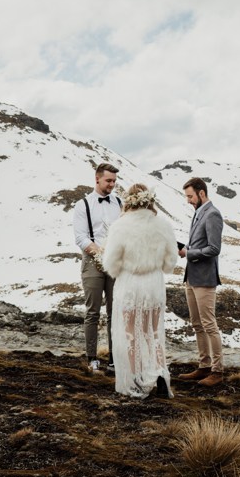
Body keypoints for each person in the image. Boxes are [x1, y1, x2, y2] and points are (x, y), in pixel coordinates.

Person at [98, 183, 178, 399]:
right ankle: (160, 374)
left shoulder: (121, 226)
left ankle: (137, 379)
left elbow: (111, 264)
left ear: (128, 201)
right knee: (153, 332)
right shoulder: (163, 225)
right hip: (154, 283)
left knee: (131, 333)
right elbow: (171, 262)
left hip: (131, 283)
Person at [72, 162, 122, 373]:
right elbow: (81, 238)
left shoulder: (119, 202)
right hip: (92, 262)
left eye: (114, 181)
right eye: (108, 180)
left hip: (115, 264)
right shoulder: (82, 205)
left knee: (115, 312)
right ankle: (92, 357)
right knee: (93, 311)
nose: (112, 184)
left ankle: (114, 359)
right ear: (97, 179)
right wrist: (101, 253)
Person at [176, 177, 225, 387]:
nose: (188, 200)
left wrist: (189, 252)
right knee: (197, 324)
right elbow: (198, 244)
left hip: (205, 278)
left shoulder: (213, 214)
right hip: (192, 276)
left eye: (190, 196)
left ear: (201, 193)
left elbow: (214, 249)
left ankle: (218, 370)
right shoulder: (198, 213)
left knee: (209, 324)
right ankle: (203, 366)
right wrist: (185, 250)